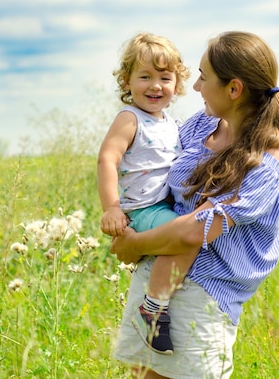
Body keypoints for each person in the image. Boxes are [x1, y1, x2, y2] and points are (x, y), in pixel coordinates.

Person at [110, 31, 279, 378]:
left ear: (234, 89)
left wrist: (132, 244)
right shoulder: (201, 126)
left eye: (204, 77)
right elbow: (155, 173)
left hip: (202, 295)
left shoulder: (266, 163)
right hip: (154, 277)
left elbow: (196, 230)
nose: (195, 87)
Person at [97, 32, 193, 354]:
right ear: (127, 82)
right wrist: (112, 207)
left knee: (184, 233)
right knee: (185, 238)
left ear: (177, 85)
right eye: (145, 77)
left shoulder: (170, 122)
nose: (155, 85)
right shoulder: (130, 119)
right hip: (142, 208)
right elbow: (108, 159)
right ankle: (153, 309)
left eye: (165, 78)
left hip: (163, 204)